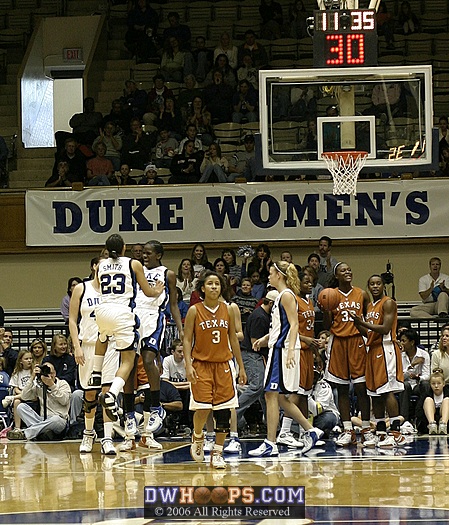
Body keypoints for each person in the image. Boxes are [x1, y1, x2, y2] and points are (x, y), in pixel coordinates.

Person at [248, 261, 323, 457]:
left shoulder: (288, 295)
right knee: (279, 397)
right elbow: (278, 327)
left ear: (279, 276)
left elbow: (294, 325)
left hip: (282, 351)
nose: (269, 277)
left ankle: (270, 443)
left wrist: (290, 350)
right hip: (278, 348)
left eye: (271, 273)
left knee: (271, 395)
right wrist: (265, 339)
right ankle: (311, 430)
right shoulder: (281, 296)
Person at [87, 234, 164, 424]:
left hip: (102, 310)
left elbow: (96, 286)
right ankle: (112, 394)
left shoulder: (101, 264)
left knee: (102, 337)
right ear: (124, 248)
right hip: (121, 312)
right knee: (128, 359)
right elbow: (147, 291)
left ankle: (96, 374)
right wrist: (158, 290)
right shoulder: (133, 264)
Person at [121, 240, 183, 451]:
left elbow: (173, 304)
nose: (144, 256)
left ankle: (156, 407)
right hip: (133, 317)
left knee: (148, 359)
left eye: (148, 253)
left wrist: (181, 329)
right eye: (142, 253)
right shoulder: (135, 270)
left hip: (154, 317)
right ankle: (130, 417)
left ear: (158, 254)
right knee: (129, 366)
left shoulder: (168, 274)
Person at [184, 271, 247, 469]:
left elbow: (233, 339)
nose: (214, 287)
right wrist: (187, 364)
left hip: (224, 365)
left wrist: (241, 366)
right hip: (201, 364)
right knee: (202, 408)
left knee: (223, 411)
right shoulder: (194, 310)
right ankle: (198, 435)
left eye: (217, 284)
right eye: (210, 284)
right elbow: (186, 339)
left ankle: (217, 452)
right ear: (202, 288)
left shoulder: (228, 309)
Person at [68, 261, 120, 455]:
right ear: (94, 267)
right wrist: (76, 346)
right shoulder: (82, 288)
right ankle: (88, 434)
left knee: (107, 394)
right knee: (90, 394)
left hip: (111, 346)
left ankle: (107, 438)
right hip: (88, 346)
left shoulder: (115, 291)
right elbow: (72, 320)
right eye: (100, 266)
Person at [352, 274, 406, 448]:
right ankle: (382, 434)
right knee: (375, 393)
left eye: (378, 283)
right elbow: (369, 333)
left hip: (386, 349)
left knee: (387, 390)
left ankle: (396, 434)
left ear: (383, 286)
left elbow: (384, 329)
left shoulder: (388, 302)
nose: (375, 286)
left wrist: (363, 323)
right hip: (373, 349)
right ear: (369, 287)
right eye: (372, 284)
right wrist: (355, 322)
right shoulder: (370, 306)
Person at [322, 262, 371, 446]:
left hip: (357, 340)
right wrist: (326, 310)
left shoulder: (361, 294)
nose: (348, 272)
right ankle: (347, 429)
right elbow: (327, 326)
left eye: (349, 269)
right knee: (342, 388)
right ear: (337, 276)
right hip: (338, 342)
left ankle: (366, 429)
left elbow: (367, 317)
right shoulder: (331, 294)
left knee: (361, 387)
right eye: (343, 270)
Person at [276, 271, 323, 447]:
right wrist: (305, 340)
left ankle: (306, 433)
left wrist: (316, 353)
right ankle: (285, 432)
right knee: (296, 393)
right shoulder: (292, 300)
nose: (309, 285)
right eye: (306, 282)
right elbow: (288, 328)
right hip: (296, 350)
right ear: (298, 283)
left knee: (304, 394)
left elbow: (309, 331)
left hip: (308, 352)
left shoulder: (309, 301)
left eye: (311, 282)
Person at [235, 290, 278, 432]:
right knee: (258, 386)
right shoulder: (260, 317)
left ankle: (271, 423)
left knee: (266, 391)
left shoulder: (263, 315)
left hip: (255, 355)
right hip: (251, 354)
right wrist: (276, 340)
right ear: (271, 303)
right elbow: (256, 343)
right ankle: (233, 413)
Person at [6, 362, 71, 441]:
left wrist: (52, 385)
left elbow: (64, 401)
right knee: (20, 407)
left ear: (55, 373)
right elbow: (24, 396)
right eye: (46, 373)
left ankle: (25, 433)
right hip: (41, 420)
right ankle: (39, 433)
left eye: (51, 373)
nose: (49, 376)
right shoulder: (39, 386)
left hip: (59, 421)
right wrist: (32, 377)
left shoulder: (62, 384)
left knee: (56, 419)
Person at [399, 328, 430, 423]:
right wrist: (412, 365)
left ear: (412, 342)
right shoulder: (399, 355)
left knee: (425, 384)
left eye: (403, 341)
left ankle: (421, 418)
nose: (401, 343)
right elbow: (400, 376)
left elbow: (427, 375)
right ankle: (405, 420)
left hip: (418, 384)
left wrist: (418, 378)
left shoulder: (424, 354)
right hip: (406, 384)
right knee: (405, 385)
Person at [2, 349, 33, 436]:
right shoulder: (17, 372)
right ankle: (17, 428)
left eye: (30, 358)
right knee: (16, 402)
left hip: (32, 394)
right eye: (26, 359)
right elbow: (15, 388)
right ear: (20, 361)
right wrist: (21, 393)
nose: (29, 360)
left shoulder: (34, 371)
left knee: (25, 395)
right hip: (21, 394)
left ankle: (10, 398)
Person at [161, 338, 190, 428]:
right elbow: (165, 381)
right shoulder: (167, 360)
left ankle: (188, 423)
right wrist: (185, 385)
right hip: (171, 391)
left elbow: (192, 383)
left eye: (184, 352)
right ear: (173, 352)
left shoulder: (188, 360)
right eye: (179, 351)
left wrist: (175, 385)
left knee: (190, 394)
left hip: (185, 391)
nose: (182, 354)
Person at [416, 370, 449, 435]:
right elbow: (418, 411)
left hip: (445, 421)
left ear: (443, 384)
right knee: (428, 400)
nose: (436, 386)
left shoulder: (448, 393)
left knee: (447, 400)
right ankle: (432, 425)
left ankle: (443, 425)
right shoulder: (426, 394)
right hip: (429, 421)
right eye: (433, 384)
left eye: (439, 383)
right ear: (430, 384)